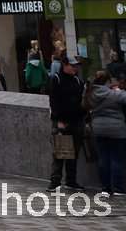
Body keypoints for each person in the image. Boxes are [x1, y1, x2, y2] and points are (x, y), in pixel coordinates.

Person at [85, 69, 126, 196]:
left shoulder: (91, 93)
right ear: (108, 81)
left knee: (103, 158)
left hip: (98, 129)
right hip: (116, 129)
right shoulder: (113, 94)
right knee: (117, 159)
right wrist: (118, 90)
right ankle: (118, 188)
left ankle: (105, 188)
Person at [49, 55, 86, 191]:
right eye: (72, 65)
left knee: (74, 153)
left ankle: (71, 180)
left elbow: (81, 100)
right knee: (60, 152)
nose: (75, 68)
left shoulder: (77, 80)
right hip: (62, 122)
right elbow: (53, 101)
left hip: (76, 121)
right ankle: (55, 182)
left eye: (76, 66)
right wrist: (58, 120)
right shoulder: (57, 79)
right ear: (64, 65)